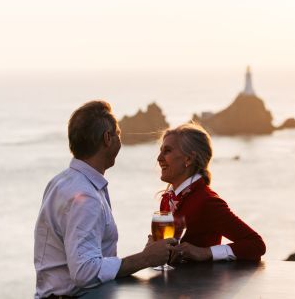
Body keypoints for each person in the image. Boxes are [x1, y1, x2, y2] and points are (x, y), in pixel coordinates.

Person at [34, 100, 175, 299]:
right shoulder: (85, 196)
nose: (120, 140)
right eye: (118, 134)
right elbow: (84, 272)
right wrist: (145, 259)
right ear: (107, 138)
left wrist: (144, 257)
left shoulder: (61, 182)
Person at [156, 123, 266, 264]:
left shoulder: (207, 201)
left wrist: (206, 253)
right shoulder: (167, 198)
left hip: (199, 285)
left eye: (167, 151)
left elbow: (256, 245)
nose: (159, 158)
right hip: (170, 284)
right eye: (161, 151)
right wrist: (154, 248)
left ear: (188, 159)